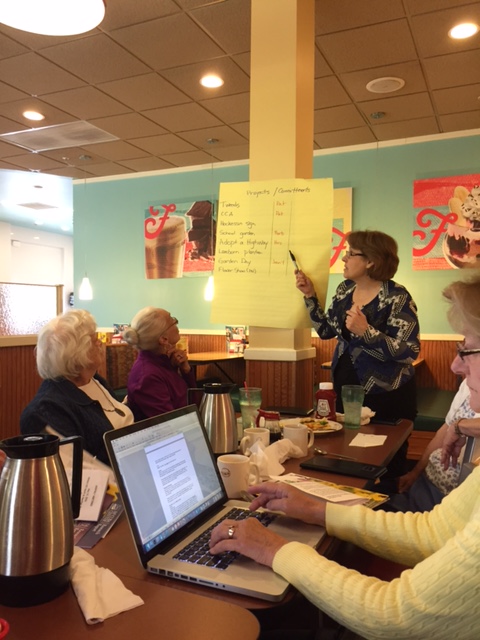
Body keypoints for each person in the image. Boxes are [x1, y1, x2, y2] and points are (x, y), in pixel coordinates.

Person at [209, 274, 480, 639]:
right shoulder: (343, 293)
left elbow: (394, 616)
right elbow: (433, 531)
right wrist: (317, 509)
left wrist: (273, 548)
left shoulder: (396, 298)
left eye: (467, 349)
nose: (455, 367)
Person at [296, 230, 420, 423]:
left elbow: (410, 352)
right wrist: (310, 295)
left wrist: (367, 332)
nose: (344, 258)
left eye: (351, 253)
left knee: (384, 444)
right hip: (344, 390)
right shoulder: (345, 289)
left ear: (370, 261)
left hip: (386, 396)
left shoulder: (397, 297)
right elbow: (325, 331)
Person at [21, 310, 134, 465]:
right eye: (94, 340)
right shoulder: (47, 410)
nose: (100, 342)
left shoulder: (93, 380)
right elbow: (78, 471)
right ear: (76, 353)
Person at [386, 379, 480, 512]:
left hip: (445, 500)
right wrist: (415, 473)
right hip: (425, 481)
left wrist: (460, 426)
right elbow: (446, 429)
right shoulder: (468, 383)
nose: (456, 368)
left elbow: (455, 426)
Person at [123, 307, 196, 421]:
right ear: (163, 339)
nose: (176, 323)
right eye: (172, 320)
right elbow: (170, 424)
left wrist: (185, 370)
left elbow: (192, 401)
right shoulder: (148, 377)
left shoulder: (165, 361)